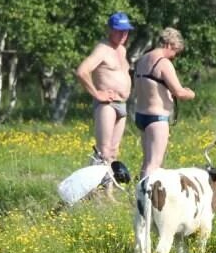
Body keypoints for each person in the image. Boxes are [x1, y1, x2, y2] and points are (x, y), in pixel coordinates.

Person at [133, 27, 195, 179]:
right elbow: (179, 92)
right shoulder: (163, 63)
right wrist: (190, 93)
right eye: (175, 51)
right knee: (154, 164)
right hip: (157, 118)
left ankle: (141, 194)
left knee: (147, 162)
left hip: (141, 114)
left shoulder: (142, 60)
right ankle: (147, 198)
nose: (174, 56)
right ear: (169, 44)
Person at [75, 12, 135, 166]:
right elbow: (82, 71)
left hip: (122, 104)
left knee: (114, 152)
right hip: (107, 105)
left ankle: (108, 190)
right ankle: (90, 186)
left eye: (126, 31)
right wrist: (96, 93)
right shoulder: (102, 49)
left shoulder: (122, 50)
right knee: (104, 151)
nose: (123, 34)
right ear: (110, 29)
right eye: (119, 30)